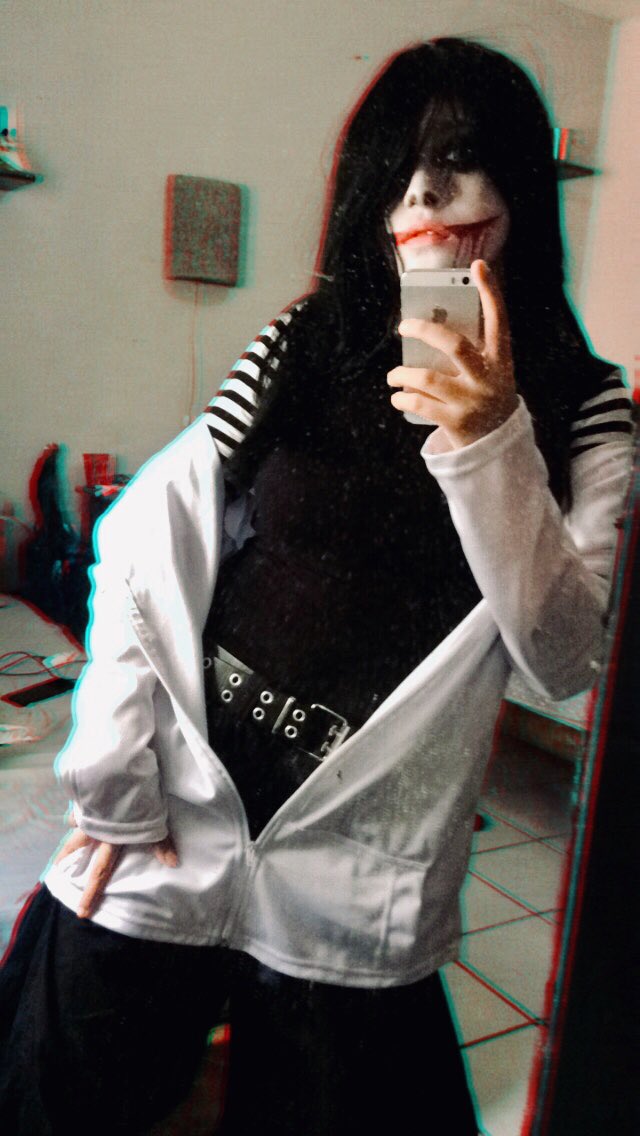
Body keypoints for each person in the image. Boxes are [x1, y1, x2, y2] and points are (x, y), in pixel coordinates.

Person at [0, 37, 633, 1136]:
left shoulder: (586, 405)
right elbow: (151, 535)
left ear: (522, 184)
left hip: (358, 873)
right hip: (171, 818)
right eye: (401, 165)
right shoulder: (307, 338)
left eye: (459, 160)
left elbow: (565, 654)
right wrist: (112, 772)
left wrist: (491, 441)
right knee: (42, 1091)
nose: (426, 195)